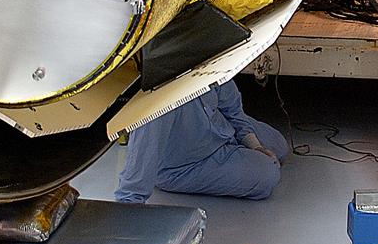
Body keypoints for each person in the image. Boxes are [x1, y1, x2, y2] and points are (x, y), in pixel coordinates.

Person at [114, 79, 290, 203]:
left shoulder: (208, 56)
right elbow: (134, 183)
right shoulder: (159, 98)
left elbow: (233, 110)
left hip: (221, 129)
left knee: (279, 146)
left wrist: (254, 144)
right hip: (186, 165)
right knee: (267, 174)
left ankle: (241, 152)